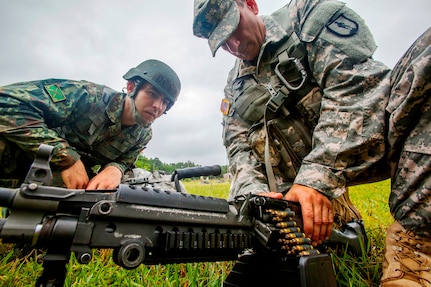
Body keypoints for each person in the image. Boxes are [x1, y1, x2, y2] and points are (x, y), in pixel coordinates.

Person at [192, 0, 431, 286]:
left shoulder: (309, 17)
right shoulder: (234, 86)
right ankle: (334, 225)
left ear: (251, 5)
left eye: (233, 28)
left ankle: (414, 248)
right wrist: (254, 196)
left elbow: (354, 90)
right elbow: (237, 146)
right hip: (300, 183)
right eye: (222, 42)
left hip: (378, 141)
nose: (233, 44)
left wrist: (318, 176)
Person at [0, 59, 181, 191]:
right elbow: (7, 101)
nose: (158, 106)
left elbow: (126, 160)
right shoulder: (88, 96)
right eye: (152, 94)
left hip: (53, 183)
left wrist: (115, 169)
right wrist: (66, 157)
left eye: (165, 102)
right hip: (14, 159)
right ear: (132, 88)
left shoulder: (143, 134)